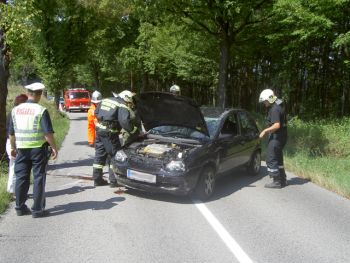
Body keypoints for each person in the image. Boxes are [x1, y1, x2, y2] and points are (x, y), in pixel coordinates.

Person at [8, 82, 58, 218]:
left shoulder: (15, 110)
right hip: (38, 149)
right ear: (40, 94)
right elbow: (48, 133)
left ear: (28, 93)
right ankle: (37, 209)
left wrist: (13, 147)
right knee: (38, 178)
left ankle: (19, 207)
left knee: (21, 178)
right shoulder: (40, 110)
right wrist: (54, 148)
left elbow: (11, 134)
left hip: (21, 149)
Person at [92, 90, 139, 187]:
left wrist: (105, 120)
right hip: (110, 133)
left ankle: (97, 180)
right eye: (129, 101)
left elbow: (96, 112)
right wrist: (134, 131)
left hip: (100, 131)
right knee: (114, 155)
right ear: (126, 98)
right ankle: (113, 181)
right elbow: (125, 122)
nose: (129, 103)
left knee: (99, 155)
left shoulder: (106, 100)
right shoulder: (122, 105)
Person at [259, 89, 288, 188]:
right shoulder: (279, 105)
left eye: (264, 101)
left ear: (269, 99)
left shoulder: (274, 109)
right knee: (278, 158)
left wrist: (265, 131)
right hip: (282, 136)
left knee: (271, 158)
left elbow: (276, 125)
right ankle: (283, 180)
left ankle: (277, 181)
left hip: (277, 137)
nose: (264, 103)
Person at [6, 94, 28, 195]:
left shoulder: (13, 112)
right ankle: (13, 191)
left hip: (12, 142)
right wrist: (13, 147)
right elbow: (12, 132)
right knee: (15, 167)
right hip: (13, 143)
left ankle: (13, 190)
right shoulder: (15, 113)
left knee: (14, 167)